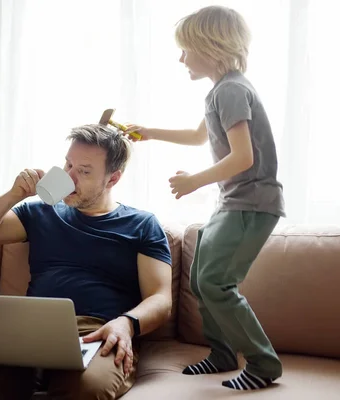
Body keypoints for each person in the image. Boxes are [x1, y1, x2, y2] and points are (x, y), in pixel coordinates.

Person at [124, 6, 285, 390]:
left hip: (252, 203)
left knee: (215, 283)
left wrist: (195, 181)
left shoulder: (231, 89)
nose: (181, 59)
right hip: (234, 202)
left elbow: (243, 156)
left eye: (185, 49)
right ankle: (223, 354)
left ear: (210, 46)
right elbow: (200, 137)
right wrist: (150, 132)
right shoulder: (221, 90)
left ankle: (264, 364)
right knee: (201, 280)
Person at [0, 124, 173, 399]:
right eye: (68, 165)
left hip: (98, 332)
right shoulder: (41, 212)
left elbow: (161, 298)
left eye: (84, 171)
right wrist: (15, 194)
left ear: (113, 178)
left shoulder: (141, 224)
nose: (70, 178)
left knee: (86, 388)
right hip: (32, 328)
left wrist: (126, 323)